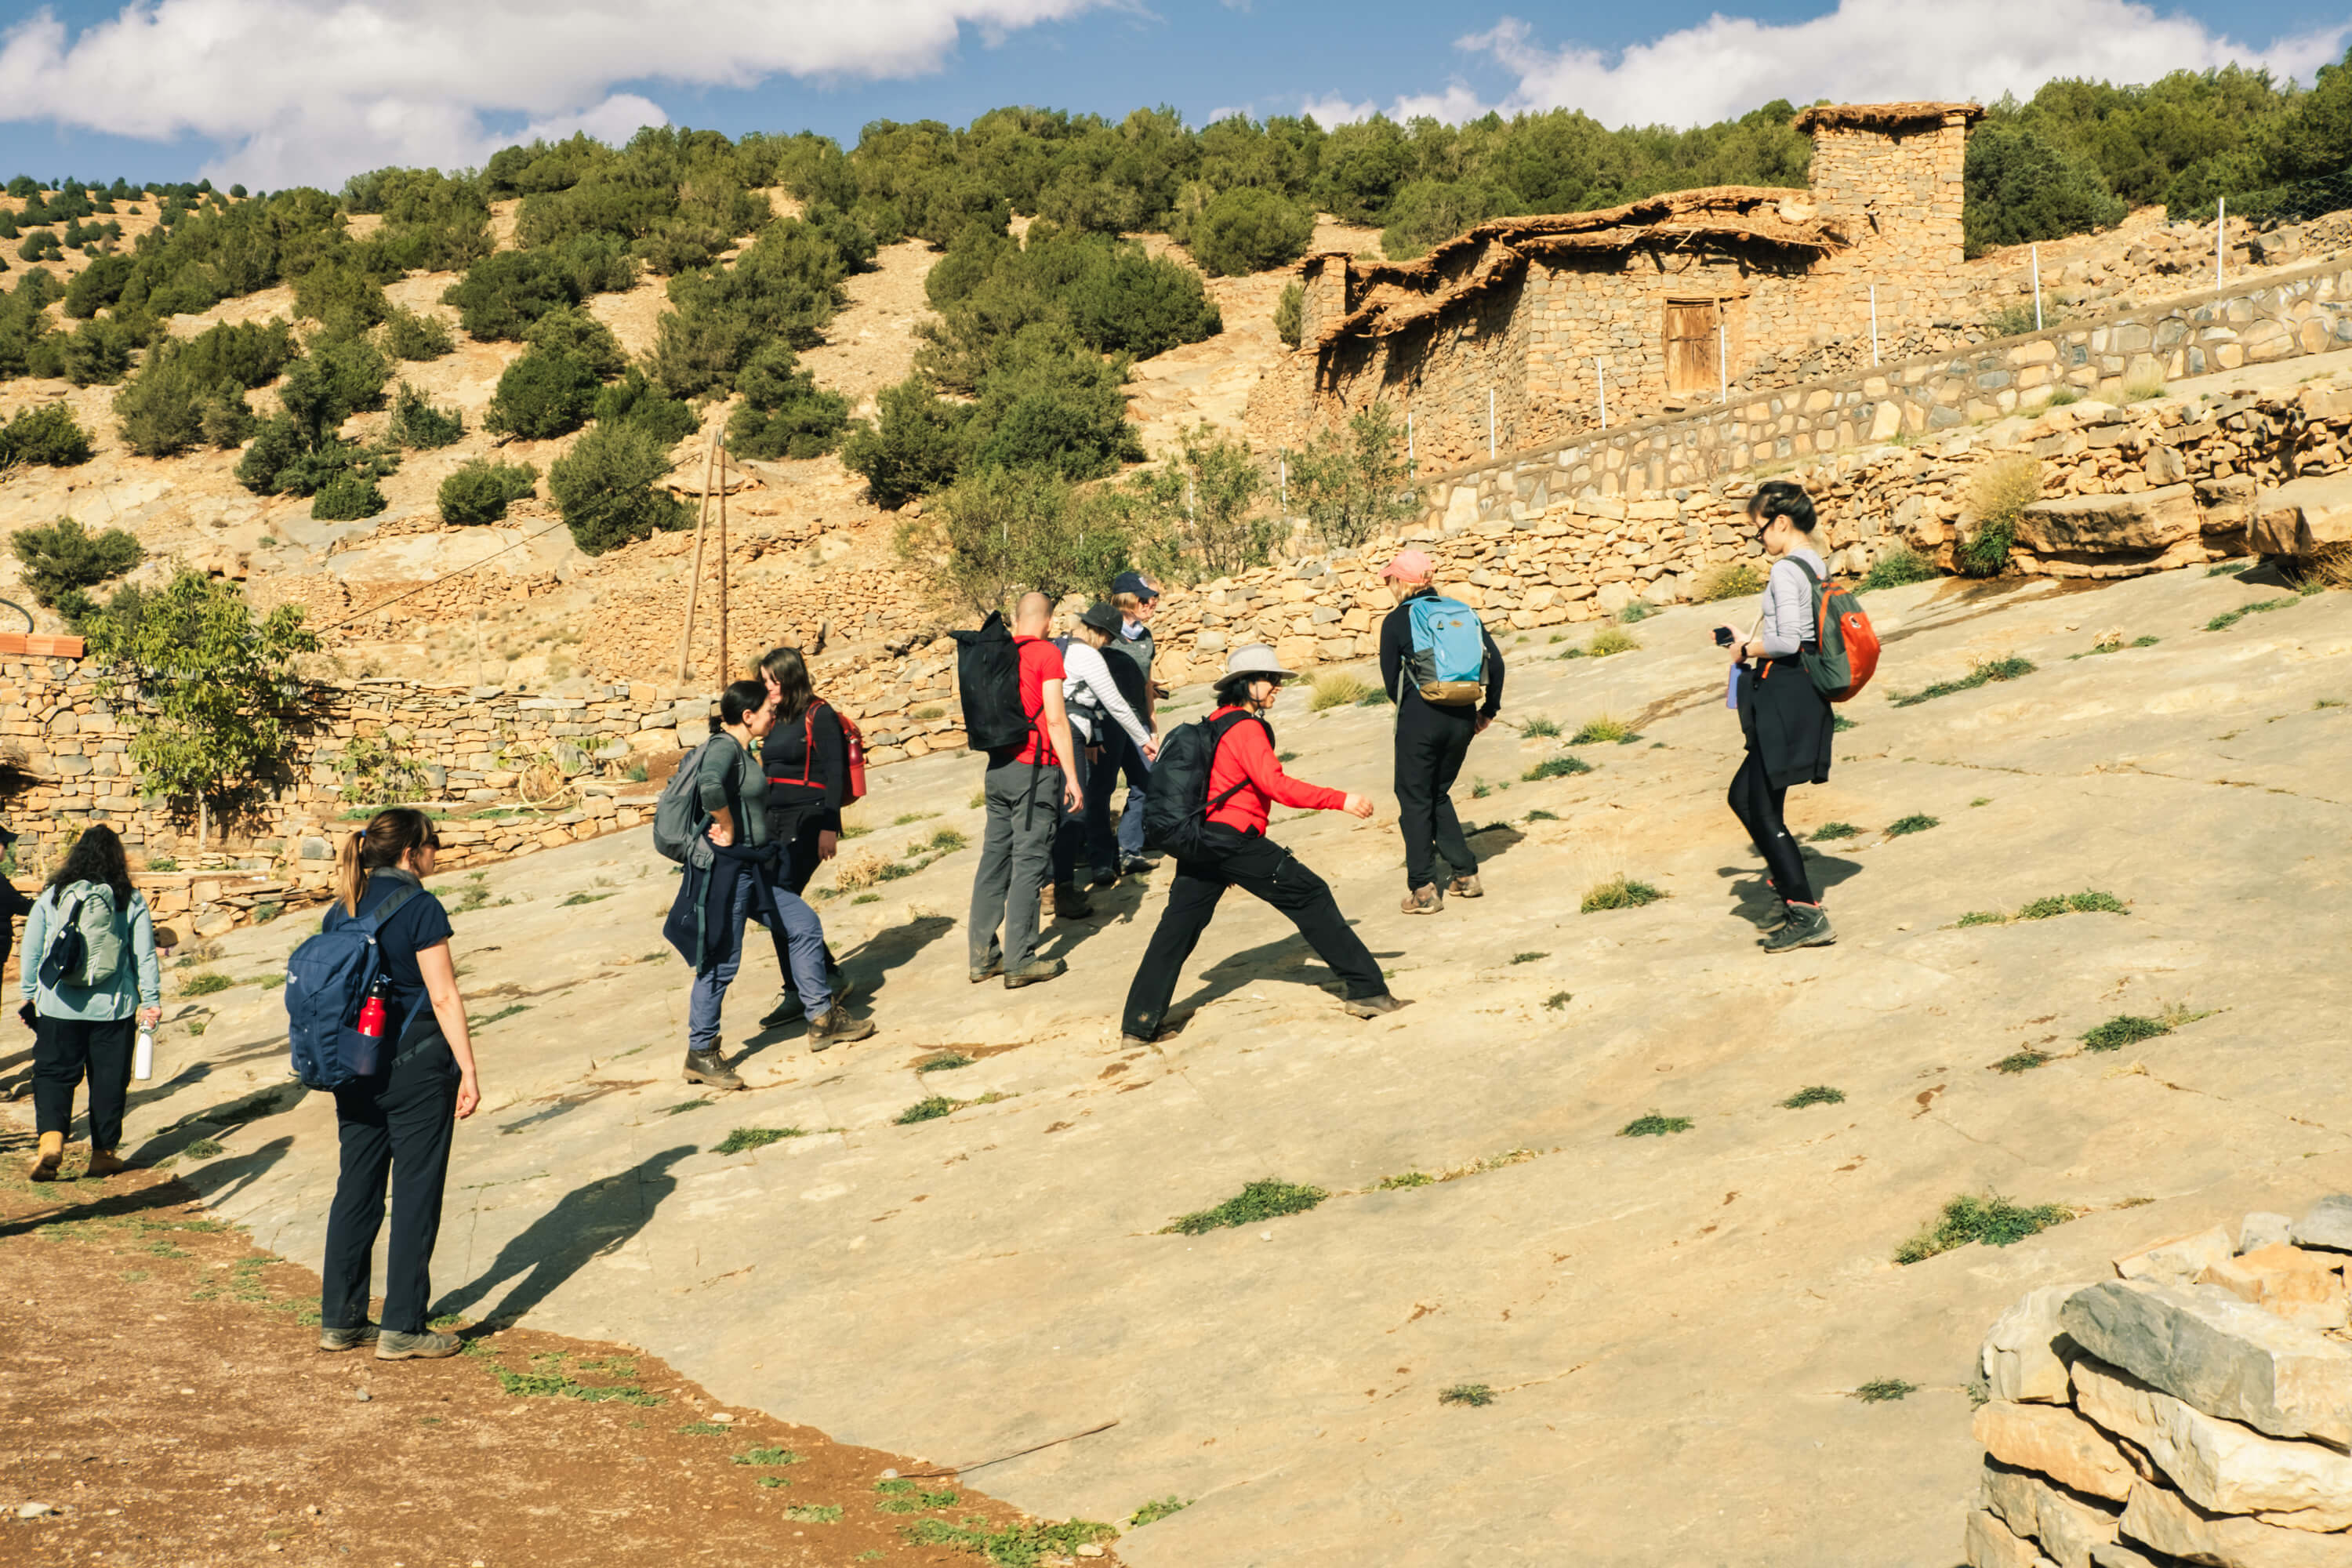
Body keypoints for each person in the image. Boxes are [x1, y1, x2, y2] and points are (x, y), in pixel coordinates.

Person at [1120, 645, 1406, 1045]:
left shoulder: (1216, 723)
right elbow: (1276, 786)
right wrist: (1340, 799)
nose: (1277, 688)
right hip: (1232, 840)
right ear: (1246, 685)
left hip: (1201, 841)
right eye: (1270, 681)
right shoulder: (1246, 727)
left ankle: (1137, 1026)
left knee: (1178, 927)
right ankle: (1369, 992)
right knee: (1310, 895)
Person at [316, 808, 479, 1359]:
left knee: (356, 1189)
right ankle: (403, 1327)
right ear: (411, 853)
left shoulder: (342, 911)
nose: (438, 853)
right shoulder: (422, 908)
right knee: (415, 1193)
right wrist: (470, 1069)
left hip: (353, 1067)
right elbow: (443, 995)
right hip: (417, 1066)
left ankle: (340, 1320)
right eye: (434, 843)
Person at [671, 680, 873, 1084]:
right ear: (747, 716)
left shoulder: (741, 751)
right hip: (729, 873)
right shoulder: (722, 749)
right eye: (767, 711)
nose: (773, 716)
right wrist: (726, 826)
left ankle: (821, 1017)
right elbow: (710, 787)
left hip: (754, 869)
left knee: (802, 926)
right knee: (720, 961)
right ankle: (701, 1051)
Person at [1715, 480, 1838, 953]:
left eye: (1760, 530)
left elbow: (1789, 640)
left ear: (1781, 523)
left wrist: (1744, 648)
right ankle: (1784, 885)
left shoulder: (1787, 569)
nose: (1759, 539)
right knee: (1752, 798)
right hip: (1797, 693)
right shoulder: (1813, 562)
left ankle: (1806, 912)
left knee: (1753, 802)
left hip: (1786, 694)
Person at [20, 824, 160, 1181]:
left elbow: (33, 947)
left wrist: (29, 994)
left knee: (54, 1074)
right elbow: (144, 955)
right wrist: (152, 1001)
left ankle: (51, 1140)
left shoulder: (53, 894)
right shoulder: (129, 898)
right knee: (109, 1079)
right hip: (114, 1007)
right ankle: (103, 1154)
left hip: (57, 1004)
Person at [1377, 549, 1506, 915]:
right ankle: (1465, 874)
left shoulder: (1396, 621)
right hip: (1462, 716)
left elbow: (1391, 682)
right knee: (1437, 793)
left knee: (1414, 798)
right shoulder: (1462, 612)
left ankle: (1423, 889)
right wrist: (1487, 711)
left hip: (1422, 718)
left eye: (1391, 579)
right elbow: (1496, 664)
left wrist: (1415, 709)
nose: (1389, 585)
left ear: (1401, 581)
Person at [968, 593, 1085, 989]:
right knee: (1030, 862)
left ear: (1017, 619)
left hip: (997, 767)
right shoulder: (1046, 654)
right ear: (1048, 621)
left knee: (994, 861)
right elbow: (1055, 719)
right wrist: (1071, 775)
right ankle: (1020, 959)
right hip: (1034, 770)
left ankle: (982, 956)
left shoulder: (992, 653)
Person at [754, 645, 851, 1029]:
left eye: (772, 680)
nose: (768, 688)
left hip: (811, 820)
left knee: (779, 897)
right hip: (775, 822)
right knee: (774, 900)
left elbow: (835, 773)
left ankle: (805, 989)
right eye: (764, 682)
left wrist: (830, 827)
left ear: (790, 677)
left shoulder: (819, 714)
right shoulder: (774, 718)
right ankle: (819, 977)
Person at [1053, 602, 1158, 909]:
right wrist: (1145, 739)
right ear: (1100, 633)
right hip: (1074, 732)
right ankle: (1068, 884)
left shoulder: (1059, 648)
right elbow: (1114, 703)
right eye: (1110, 637)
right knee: (1080, 804)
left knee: (1066, 805)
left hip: (1059, 732)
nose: (1110, 643)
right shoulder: (1088, 654)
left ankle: (1064, 878)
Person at [1102, 572, 1163, 878]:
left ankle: (1128, 851)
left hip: (1137, 724)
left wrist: (1152, 728)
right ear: (1125, 600)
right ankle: (1100, 861)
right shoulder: (1104, 636)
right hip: (1106, 726)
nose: (1151, 604)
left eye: (1154, 599)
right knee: (1101, 790)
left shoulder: (1146, 637)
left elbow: (1147, 685)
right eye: (1144, 599)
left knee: (1146, 782)